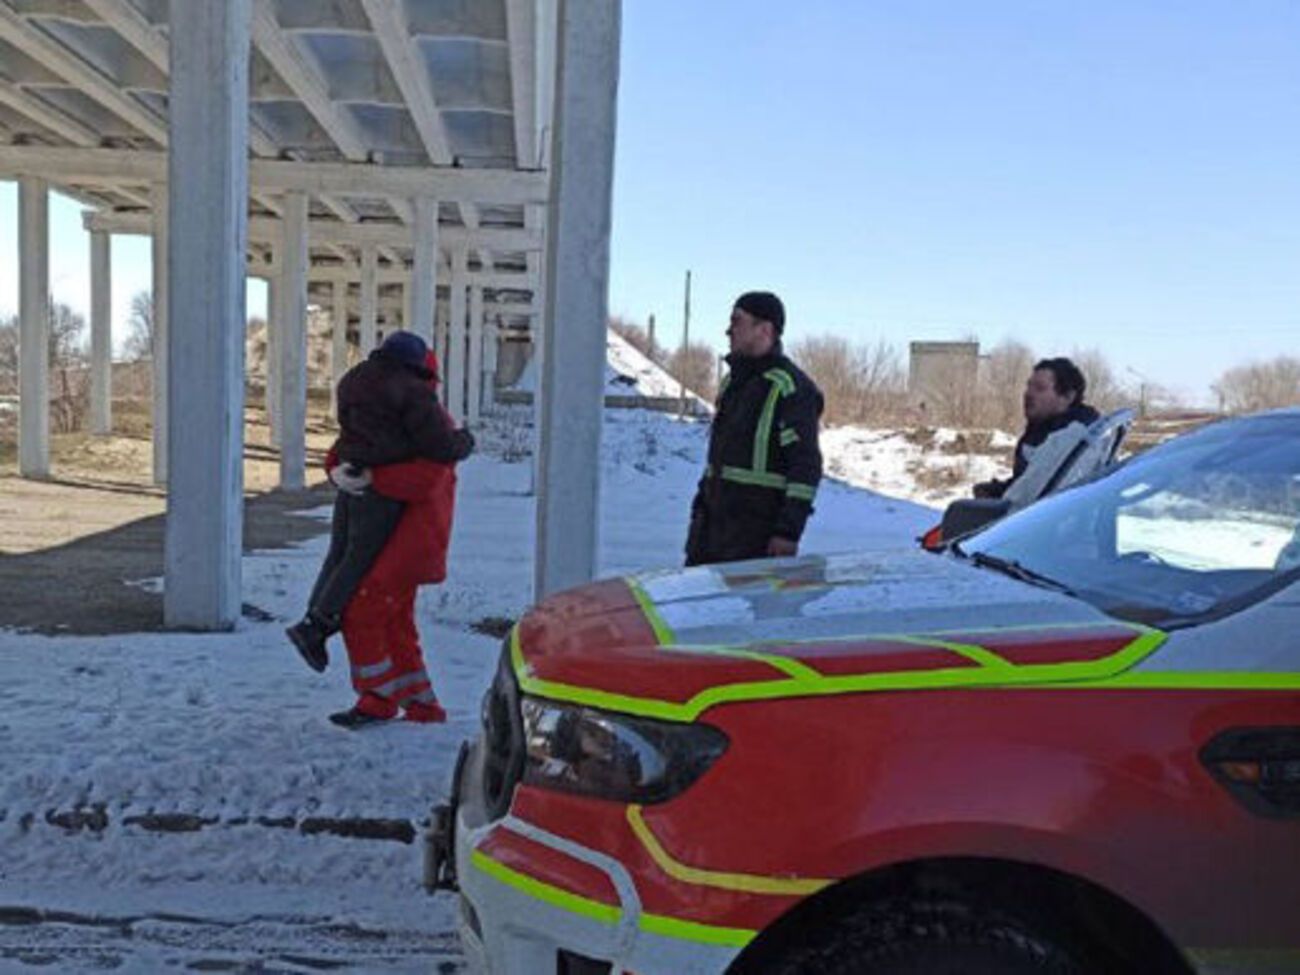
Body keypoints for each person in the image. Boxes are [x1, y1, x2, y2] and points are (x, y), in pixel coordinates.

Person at [286, 331, 472, 672]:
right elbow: (439, 448)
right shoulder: (412, 390)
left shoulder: (353, 380)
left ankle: (312, 617)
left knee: (338, 554)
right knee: (359, 558)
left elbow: (350, 431)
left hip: (349, 476)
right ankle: (318, 626)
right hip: (380, 490)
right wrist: (464, 441)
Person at [326, 349, 461, 729]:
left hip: (408, 545)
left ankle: (379, 697)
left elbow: (426, 479)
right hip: (396, 544)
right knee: (395, 624)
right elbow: (349, 447)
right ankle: (421, 705)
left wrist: (371, 479)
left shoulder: (432, 425)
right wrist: (337, 469)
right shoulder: (396, 417)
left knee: (361, 613)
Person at [685, 291, 824, 566]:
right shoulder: (732, 384)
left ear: (765, 329)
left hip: (754, 539)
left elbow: (805, 467)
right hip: (710, 535)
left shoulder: (791, 388)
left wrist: (787, 533)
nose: (729, 331)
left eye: (737, 321)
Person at [973, 357, 1100, 500]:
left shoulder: (1068, 440)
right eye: (1029, 386)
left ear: (1068, 397)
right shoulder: (1041, 430)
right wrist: (994, 491)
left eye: (1040, 388)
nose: (1028, 394)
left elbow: (1030, 500)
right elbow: (1029, 483)